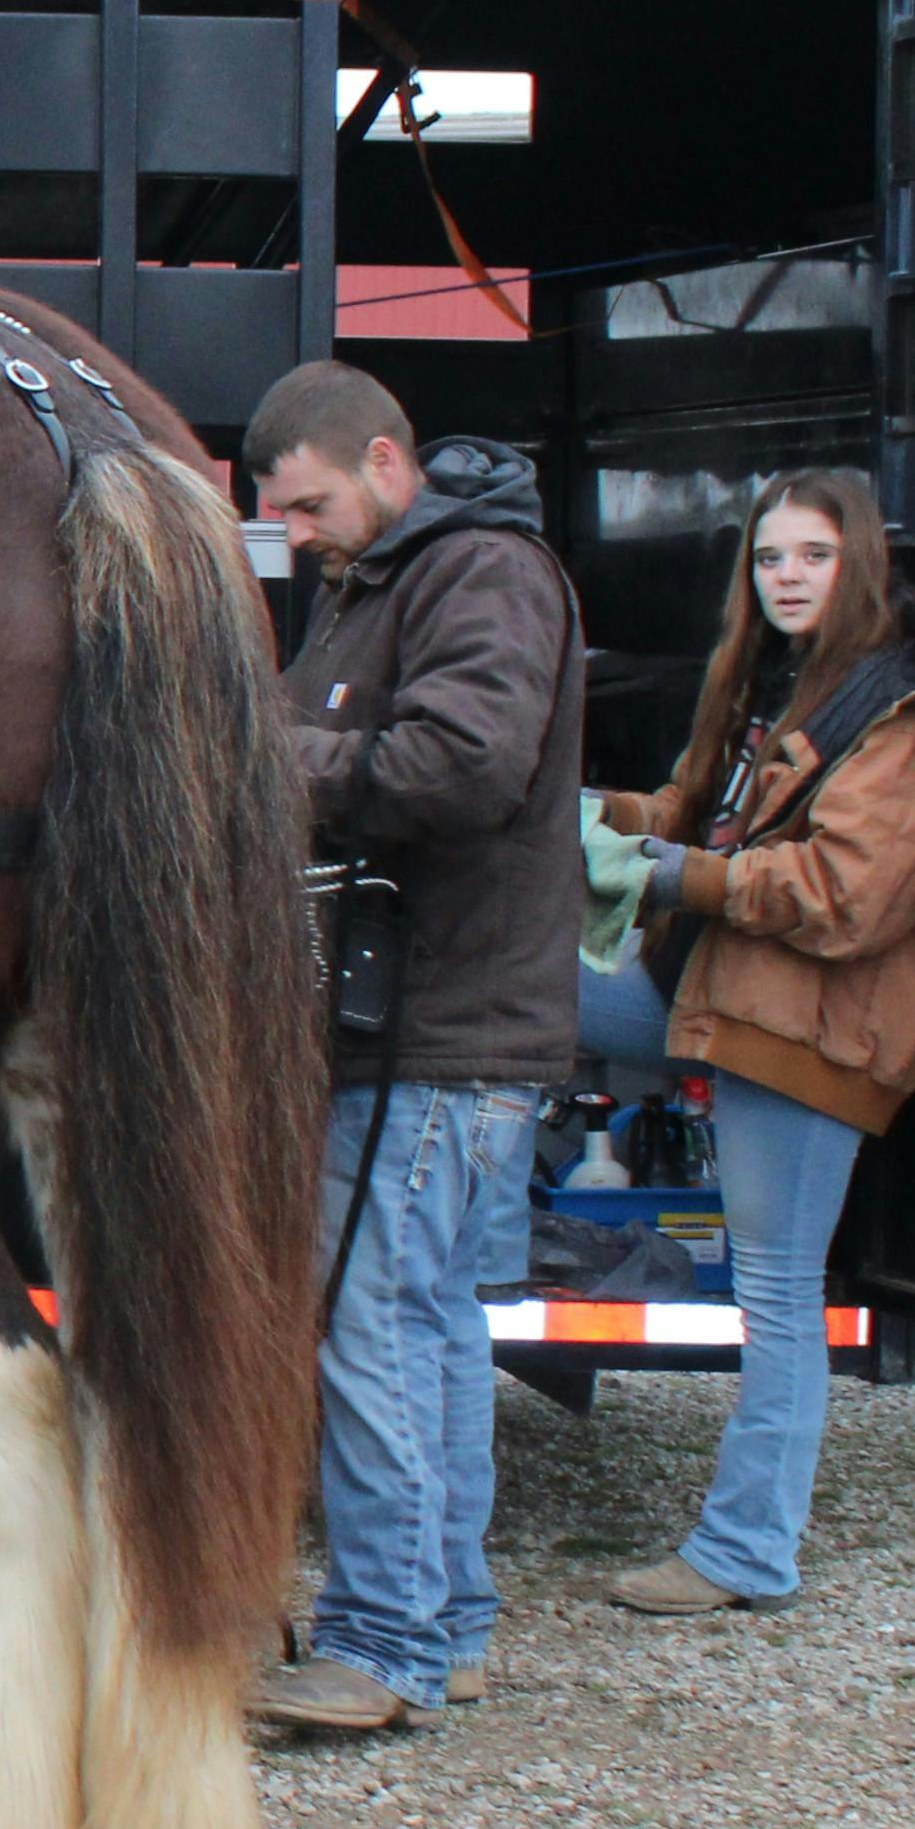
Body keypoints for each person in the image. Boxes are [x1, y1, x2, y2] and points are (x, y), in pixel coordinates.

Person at [243, 362, 584, 1738]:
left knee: (367, 1320)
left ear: (387, 460)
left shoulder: (481, 571)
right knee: (431, 1323)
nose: (300, 532)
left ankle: (378, 1640)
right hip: (440, 1022)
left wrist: (252, 757)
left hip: (434, 1027)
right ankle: (442, 1625)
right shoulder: (391, 577)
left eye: (312, 503)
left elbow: (459, 764)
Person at [579, 469, 915, 1618]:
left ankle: (748, 1550)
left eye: (811, 555)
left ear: (857, 566)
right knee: (508, 997)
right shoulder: (773, 684)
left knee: (775, 1290)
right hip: (722, 990)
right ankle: (489, 1231)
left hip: (809, 1032)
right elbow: (694, 812)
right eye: (767, 558)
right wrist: (588, 813)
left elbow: (847, 892)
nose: (785, 577)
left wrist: (676, 872)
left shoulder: (898, 713)